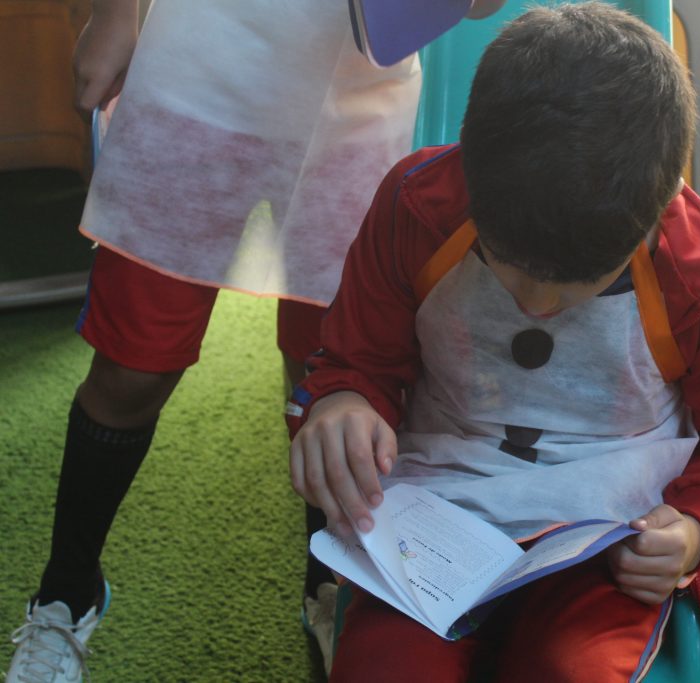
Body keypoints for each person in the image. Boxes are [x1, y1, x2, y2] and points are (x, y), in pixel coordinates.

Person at [287, 4, 700, 681]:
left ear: (654, 214)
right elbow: (358, 360)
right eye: (507, 263)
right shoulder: (416, 206)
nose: (534, 304)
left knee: (576, 669)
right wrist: (343, 402)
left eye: (575, 285)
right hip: (434, 511)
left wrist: (695, 528)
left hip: (612, 534)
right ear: (471, 173)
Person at [5, 0, 425, 680]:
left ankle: (328, 588)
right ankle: (66, 593)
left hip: (356, 102)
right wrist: (114, 16)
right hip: (199, 66)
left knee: (331, 373)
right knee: (131, 370)